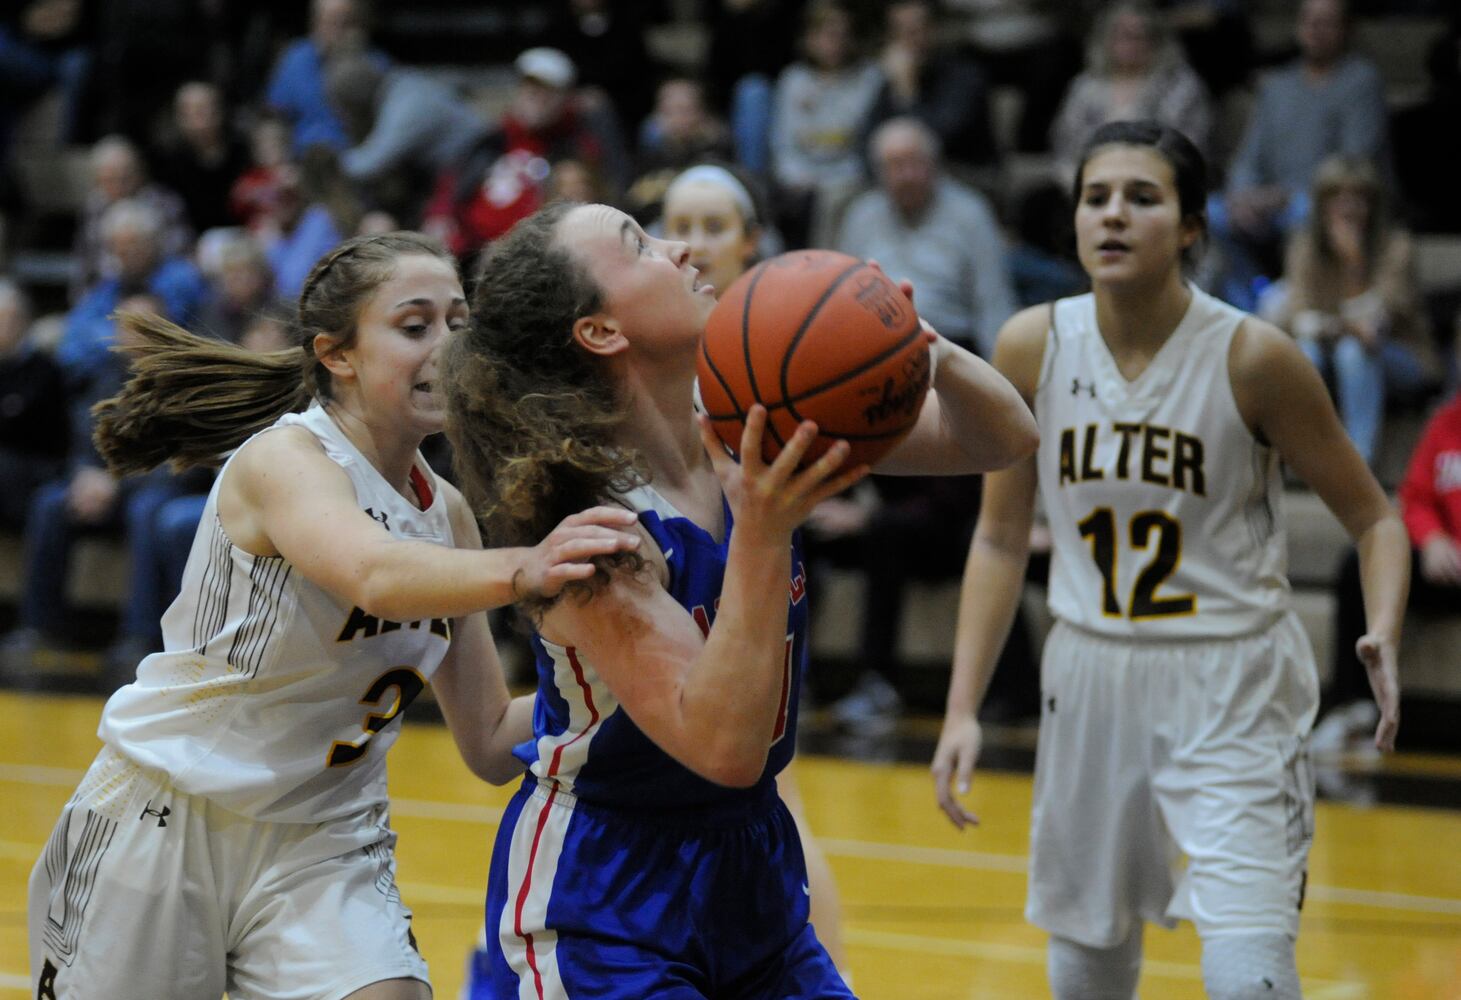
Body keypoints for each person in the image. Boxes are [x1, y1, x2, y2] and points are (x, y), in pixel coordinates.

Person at [443, 200, 1038, 997]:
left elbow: (1002, 438)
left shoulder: (753, 417)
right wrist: (760, 528)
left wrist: (915, 344)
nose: (680, 248)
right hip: (607, 893)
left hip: (750, 862)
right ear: (600, 331)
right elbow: (722, 747)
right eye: (641, 244)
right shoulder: (591, 523)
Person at [25, 231, 642, 998]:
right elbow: (373, 574)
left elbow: (487, 740)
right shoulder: (284, 462)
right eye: (415, 326)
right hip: (162, 822)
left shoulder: (445, 514)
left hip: (323, 843)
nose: (448, 347)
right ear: (337, 354)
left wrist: (622, 677)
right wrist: (528, 567)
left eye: (459, 323)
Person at [931, 121, 1408, 1000]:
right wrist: (961, 707)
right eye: (1095, 197)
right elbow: (1000, 538)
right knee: (1085, 976)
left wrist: (1379, 630)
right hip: (1087, 677)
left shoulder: (1254, 356)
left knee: (1246, 976)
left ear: (1190, 226)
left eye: (1141, 198)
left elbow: (1375, 518)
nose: (1112, 215)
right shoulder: (1029, 345)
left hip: (1232, 680)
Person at [1316, 324, 1461, 755]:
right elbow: (1414, 496)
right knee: (1354, 565)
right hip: (1445, 564)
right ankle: (1353, 708)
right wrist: (1432, 538)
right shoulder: (1446, 421)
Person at [1208, 0, 1389, 310]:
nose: (1316, 30)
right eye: (1309, 21)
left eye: (1327, 22)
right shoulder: (1277, 85)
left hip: (1322, 197)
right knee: (1212, 212)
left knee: (1309, 211)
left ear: (1346, 30)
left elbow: (1354, 163)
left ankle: (1299, 302)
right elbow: (1250, 156)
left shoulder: (1361, 82)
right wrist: (1243, 194)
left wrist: (1284, 195)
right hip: (1270, 202)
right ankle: (1255, 304)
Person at [1272, 156, 1439, 467]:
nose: (1348, 208)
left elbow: (1374, 326)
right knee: (1305, 351)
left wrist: (1353, 263)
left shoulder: (1396, 246)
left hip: (1401, 356)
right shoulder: (1305, 245)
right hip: (1325, 352)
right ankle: (1299, 456)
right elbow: (1298, 319)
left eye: (1358, 197)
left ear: (1374, 203)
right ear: (1322, 203)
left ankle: (1357, 464)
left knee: (1353, 352)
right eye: (1338, 197)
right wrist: (1337, 327)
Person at [837, 117, 1017, 358]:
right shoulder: (861, 215)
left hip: (951, 345)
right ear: (879, 172)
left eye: (916, 163)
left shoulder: (970, 212)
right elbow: (842, 300)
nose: (908, 175)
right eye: (896, 165)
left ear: (935, 164)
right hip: (878, 348)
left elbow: (993, 302)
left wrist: (997, 376)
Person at [1048, 1, 1212, 180]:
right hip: (1088, 182)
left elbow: (1187, 150)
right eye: (1122, 35)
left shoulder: (1180, 85)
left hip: (1158, 183)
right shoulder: (1086, 85)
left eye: (1139, 36)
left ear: (1157, 40)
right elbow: (1065, 145)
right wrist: (1080, 185)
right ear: (1106, 39)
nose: (1130, 44)